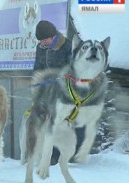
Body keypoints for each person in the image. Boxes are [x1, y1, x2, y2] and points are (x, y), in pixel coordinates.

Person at [33, 20, 84, 165]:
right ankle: (53, 155)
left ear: (53, 35)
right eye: (40, 40)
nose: (42, 43)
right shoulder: (41, 47)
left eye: (44, 39)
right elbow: (38, 67)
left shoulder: (67, 46)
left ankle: (73, 154)